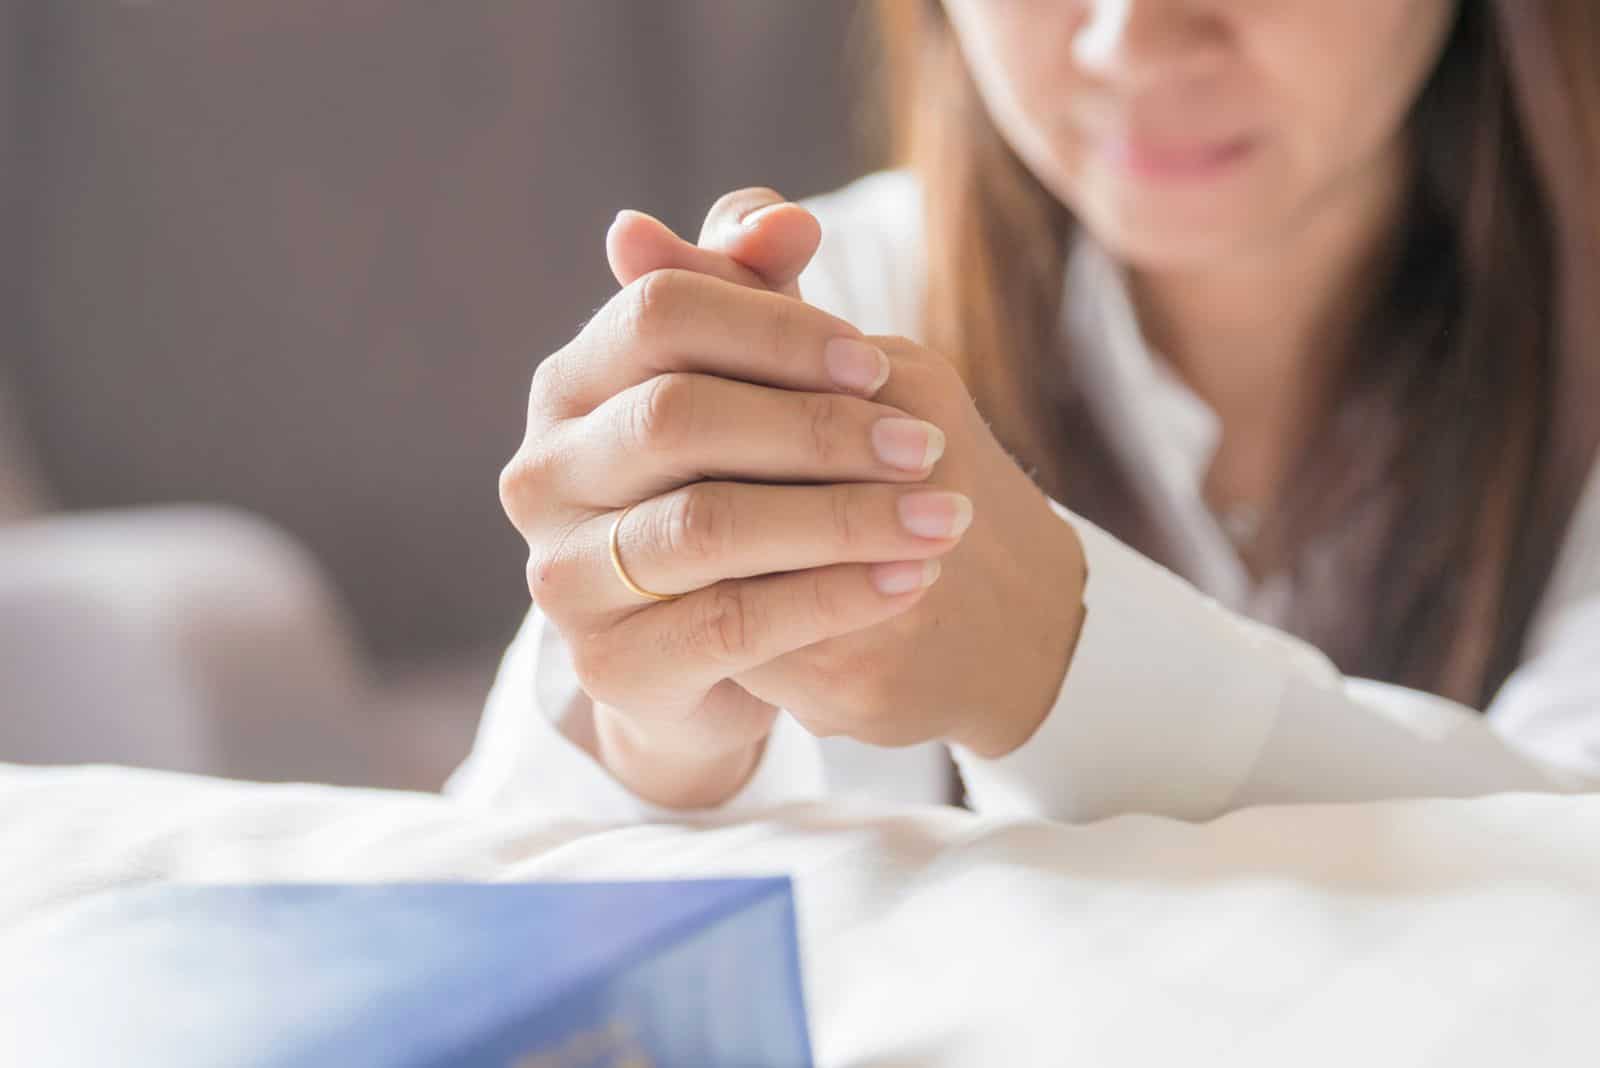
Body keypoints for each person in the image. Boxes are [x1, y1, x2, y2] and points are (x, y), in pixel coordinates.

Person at [448, 0, 1600, 822]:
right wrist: (667, 739)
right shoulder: (834, 310)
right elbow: (492, 903)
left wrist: (1054, 657)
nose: (1127, 37)